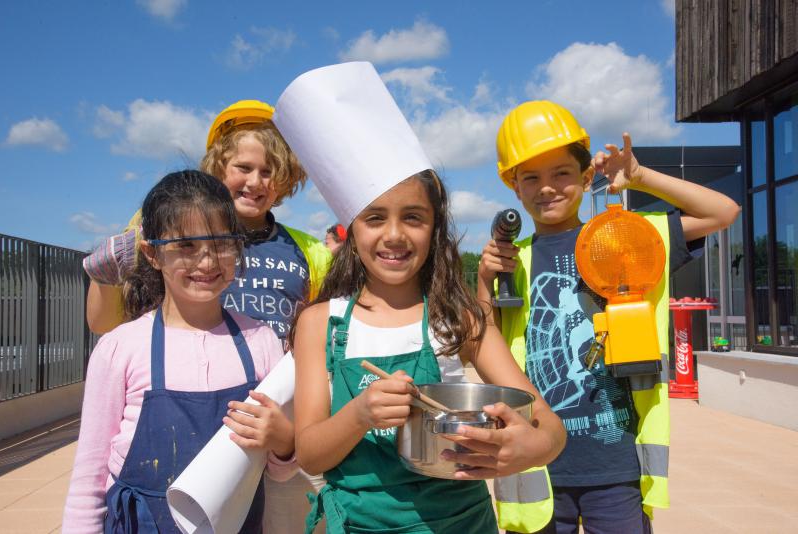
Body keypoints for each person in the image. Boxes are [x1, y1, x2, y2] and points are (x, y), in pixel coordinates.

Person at [274, 61, 566, 534]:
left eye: (413, 217)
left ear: (435, 227)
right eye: (374, 219)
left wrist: (534, 449)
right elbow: (309, 451)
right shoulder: (320, 324)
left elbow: (550, 428)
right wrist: (359, 414)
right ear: (351, 232)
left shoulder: (461, 319)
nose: (394, 235)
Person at [478, 101, 741, 534]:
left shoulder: (626, 239)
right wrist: (485, 281)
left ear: (586, 177)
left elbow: (723, 212)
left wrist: (640, 175)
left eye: (562, 173)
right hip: (536, 465)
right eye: (531, 178)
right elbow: (480, 337)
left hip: (615, 465)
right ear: (515, 187)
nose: (547, 188)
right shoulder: (513, 263)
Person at [82, 100, 332, 533]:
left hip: (266, 427)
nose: (256, 181)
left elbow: (323, 334)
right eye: (243, 167)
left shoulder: (309, 251)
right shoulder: (160, 226)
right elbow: (107, 324)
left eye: (270, 171)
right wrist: (104, 275)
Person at [62, 170, 297, 533]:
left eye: (221, 243)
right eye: (186, 245)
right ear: (152, 254)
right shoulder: (120, 348)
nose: (206, 261)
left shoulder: (263, 342)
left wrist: (283, 441)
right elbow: (89, 480)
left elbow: (280, 471)